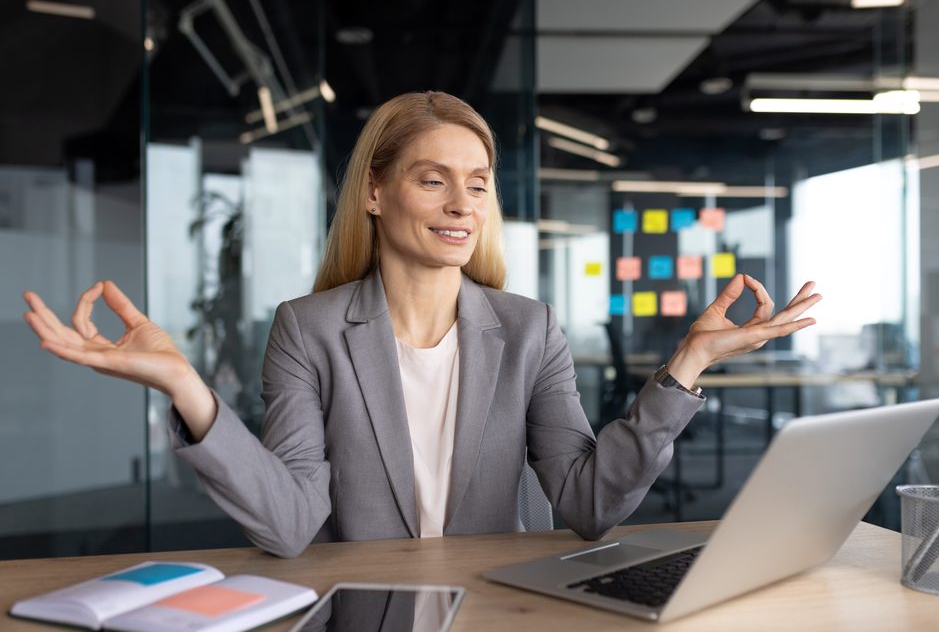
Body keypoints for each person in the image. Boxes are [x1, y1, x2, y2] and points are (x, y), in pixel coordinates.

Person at [22, 92, 821, 559]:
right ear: (375, 192)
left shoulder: (529, 328)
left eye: (476, 184)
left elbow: (589, 502)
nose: (461, 204)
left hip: (500, 611)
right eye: (432, 179)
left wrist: (687, 363)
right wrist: (183, 384)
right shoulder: (308, 329)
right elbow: (291, 523)